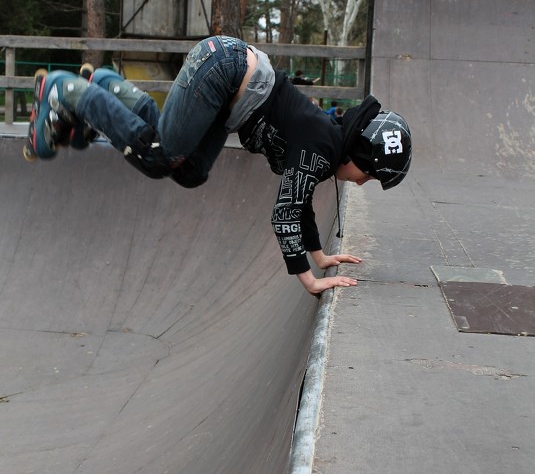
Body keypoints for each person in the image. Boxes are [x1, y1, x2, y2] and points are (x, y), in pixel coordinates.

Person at [25, 35, 412, 296]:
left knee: (190, 169)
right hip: (222, 70)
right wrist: (310, 280)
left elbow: (301, 196)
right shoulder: (325, 148)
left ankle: (109, 87)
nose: (362, 184)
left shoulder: (327, 143)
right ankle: (69, 92)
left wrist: (320, 255)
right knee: (160, 157)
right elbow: (285, 212)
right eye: (371, 176)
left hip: (229, 79)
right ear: (362, 156)